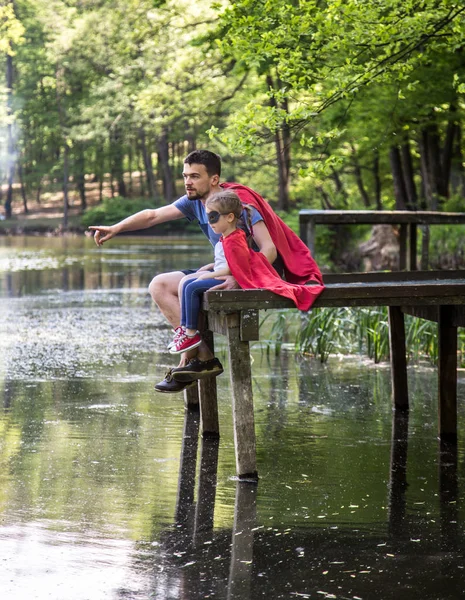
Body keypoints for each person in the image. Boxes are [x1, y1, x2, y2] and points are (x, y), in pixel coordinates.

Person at [89, 149, 324, 393]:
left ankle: (190, 362)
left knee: (189, 285)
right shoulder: (195, 203)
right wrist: (116, 227)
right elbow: (152, 216)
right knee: (159, 285)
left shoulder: (238, 204)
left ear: (214, 179)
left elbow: (270, 250)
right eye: (185, 176)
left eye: (194, 176)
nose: (188, 182)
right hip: (223, 269)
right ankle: (201, 356)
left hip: (254, 274)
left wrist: (238, 276)